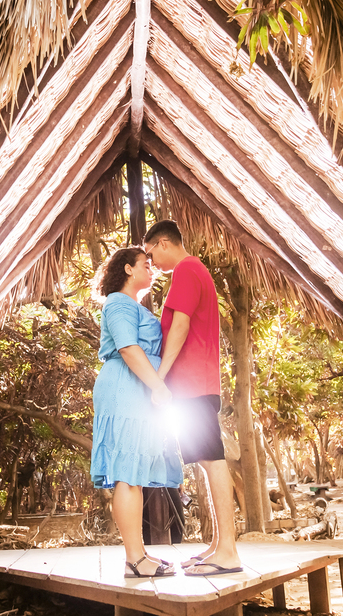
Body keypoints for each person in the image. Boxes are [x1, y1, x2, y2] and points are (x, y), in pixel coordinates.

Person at [144, 220, 243, 576]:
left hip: (192, 383)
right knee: (205, 459)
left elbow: (181, 325)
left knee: (213, 460)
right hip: (194, 384)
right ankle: (218, 545)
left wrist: (160, 375)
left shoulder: (186, 269)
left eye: (151, 253)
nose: (151, 261)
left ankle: (228, 551)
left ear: (165, 242)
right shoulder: (192, 270)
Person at [90, 246, 182, 578]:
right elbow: (128, 348)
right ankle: (133, 559)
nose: (152, 269)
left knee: (135, 476)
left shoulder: (133, 305)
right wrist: (158, 386)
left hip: (137, 391)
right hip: (125, 389)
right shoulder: (118, 302)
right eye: (146, 264)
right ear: (128, 269)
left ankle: (140, 555)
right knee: (127, 475)